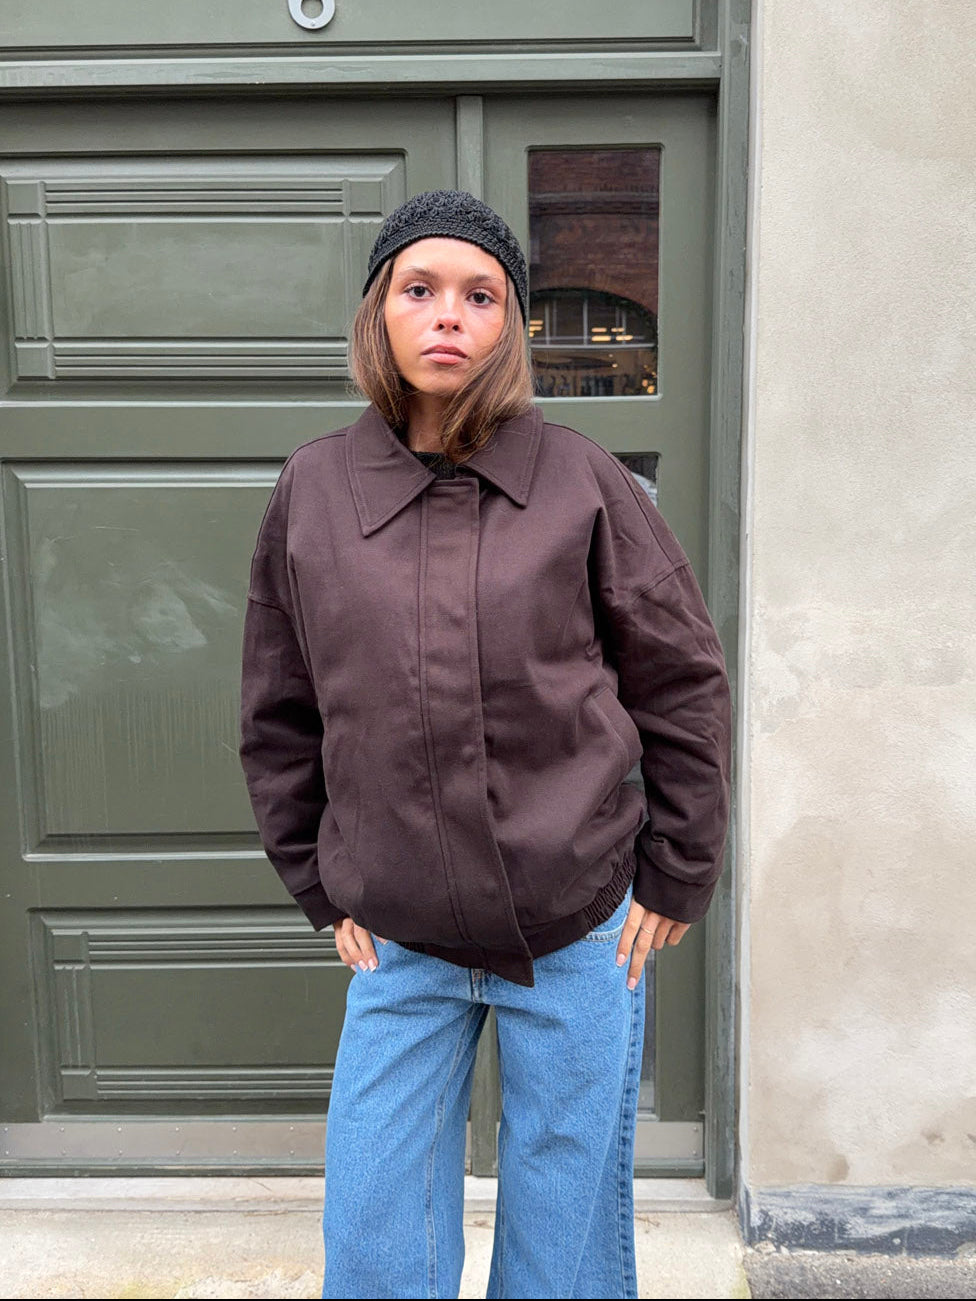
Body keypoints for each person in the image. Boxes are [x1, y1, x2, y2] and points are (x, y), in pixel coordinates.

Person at [239, 190, 732, 1301]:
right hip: (399, 933)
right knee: (374, 1229)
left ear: (510, 325)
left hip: (577, 920)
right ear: (380, 312)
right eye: (420, 290)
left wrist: (679, 869)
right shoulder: (315, 488)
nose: (448, 316)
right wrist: (317, 880)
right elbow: (279, 703)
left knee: (563, 1239)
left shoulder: (584, 481)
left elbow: (682, 680)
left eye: (481, 296)